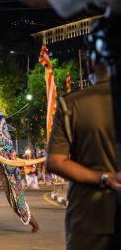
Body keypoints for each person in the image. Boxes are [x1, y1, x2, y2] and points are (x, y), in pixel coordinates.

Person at [46, 58, 121, 249]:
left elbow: (55, 161)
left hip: (88, 218)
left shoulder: (70, 103)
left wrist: (105, 178)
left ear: (90, 65)